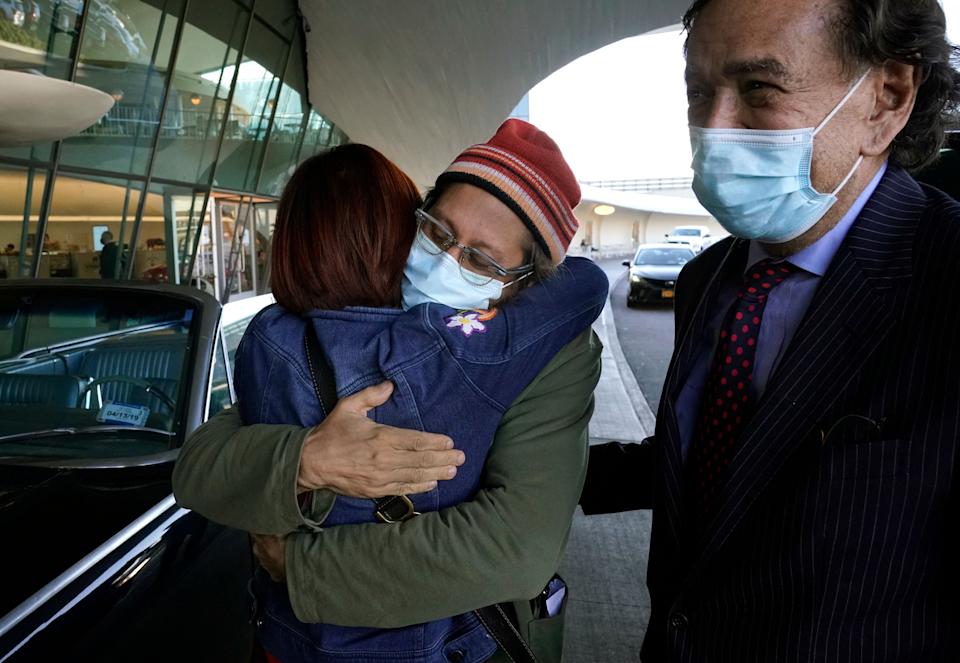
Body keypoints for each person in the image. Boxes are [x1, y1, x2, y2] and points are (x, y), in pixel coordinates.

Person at [580, 0, 960, 661]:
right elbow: (728, 459)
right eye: (700, 93)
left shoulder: (947, 280)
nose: (715, 127)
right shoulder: (707, 279)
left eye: (759, 87)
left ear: (887, 98)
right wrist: (514, 469)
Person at [173, 120, 607, 663]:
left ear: (523, 284)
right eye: (438, 232)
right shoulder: (345, 314)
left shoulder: (552, 355)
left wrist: (301, 566)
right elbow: (201, 466)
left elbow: (514, 547)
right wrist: (307, 459)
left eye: (480, 258)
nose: (445, 260)